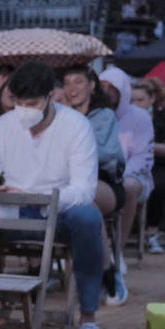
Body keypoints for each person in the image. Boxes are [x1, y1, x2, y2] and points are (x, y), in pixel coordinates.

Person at [0, 61, 108, 329]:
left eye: (30, 104)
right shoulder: (4, 125)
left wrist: (34, 194)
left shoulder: (76, 127)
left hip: (57, 213)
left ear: (50, 98)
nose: (23, 110)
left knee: (89, 216)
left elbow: (84, 190)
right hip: (9, 209)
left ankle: (89, 319)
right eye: (17, 103)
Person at [61, 66, 128, 304]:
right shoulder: (58, 114)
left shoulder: (104, 115)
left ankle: (108, 271)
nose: (72, 88)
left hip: (103, 181)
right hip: (67, 180)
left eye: (78, 81)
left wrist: (76, 150)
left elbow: (110, 153)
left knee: (86, 200)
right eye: (67, 82)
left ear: (91, 85)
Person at [99, 66, 155, 273]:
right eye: (102, 86)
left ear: (122, 90)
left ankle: (117, 251)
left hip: (133, 174)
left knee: (129, 187)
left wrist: (120, 176)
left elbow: (141, 155)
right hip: (101, 175)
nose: (105, 91)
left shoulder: (139, 117)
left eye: (111, 87)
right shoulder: (95, 115)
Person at [131, 78, 165, 253]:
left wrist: (146, 145)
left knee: (158, 185)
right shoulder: (125, 119)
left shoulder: (164, 120)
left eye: (140, 100)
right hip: (133, 165)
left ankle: (152, 232)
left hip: (159, 165)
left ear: (151, 99)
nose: (135, 104)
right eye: (132, 100)